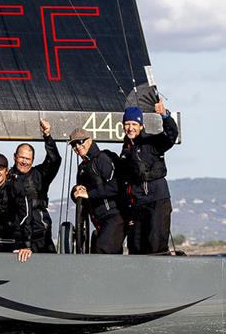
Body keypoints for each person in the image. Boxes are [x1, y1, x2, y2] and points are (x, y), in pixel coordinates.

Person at [118, 100, 179, 254]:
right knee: (136, 247)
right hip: (137, 204)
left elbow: (171, 135)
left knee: (156, 246)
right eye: (127, 124)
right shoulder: (126, 150)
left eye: (134, 124)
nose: (130, 128)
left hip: (156, 201)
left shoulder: (153, 142)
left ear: (141, 126)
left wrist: (165, 115)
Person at [9, 118, 61, 253]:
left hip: (39, 233)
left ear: (32, 160)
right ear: (15, 157)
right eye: (21, 158)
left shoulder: (39, 174)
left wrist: (47, 136)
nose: (24, 162)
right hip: (14, 234)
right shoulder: (6, 177)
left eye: (28, 159)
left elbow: (55, 160)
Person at [69, 128, 124, 254]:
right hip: (99, 220)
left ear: (89, 141)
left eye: (80, 141)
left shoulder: (102, 158)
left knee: (102, 251)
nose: (77, 146)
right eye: (73, 144)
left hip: (114, 217)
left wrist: (89, 193)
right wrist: (75, 191)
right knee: (96, 255)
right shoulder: (82, 167)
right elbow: (81, 194)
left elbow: (116, 186)